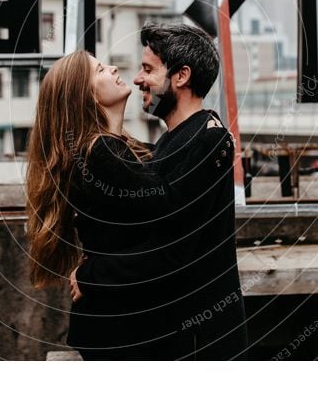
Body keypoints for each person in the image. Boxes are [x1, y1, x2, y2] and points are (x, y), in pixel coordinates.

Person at [71, 21, 248, 360]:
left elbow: (173, 250)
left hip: (201, 340)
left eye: (148, 69)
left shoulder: (208, 139)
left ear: (180, 76)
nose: (138, 78)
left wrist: (92, 274)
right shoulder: (173, 140)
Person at [25, 49, 183, 360]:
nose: (112, 68)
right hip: (124, 328)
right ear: (84, 97)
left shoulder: (120, 149)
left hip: (117, 321)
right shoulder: (101, 154)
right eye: (99, 70)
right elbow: (171, 215)